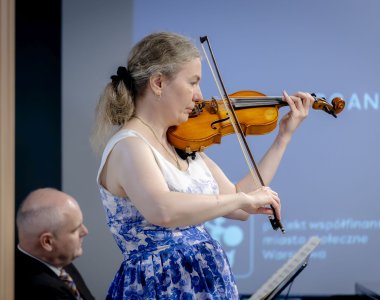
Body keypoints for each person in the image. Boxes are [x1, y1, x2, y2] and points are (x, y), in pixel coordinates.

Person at [92, 31, 314, 299]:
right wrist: (242, 199)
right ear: (158, 83)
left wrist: (283, 136)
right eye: (193, 82)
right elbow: (162, 210)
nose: (199, 96)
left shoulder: (181, 143)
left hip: (204, 284)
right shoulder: (130, 145)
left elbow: (238, 204)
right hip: (161, 286)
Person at [15, 187, 95, 300]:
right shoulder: (42, 290)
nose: (85, 231)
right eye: (75, 229)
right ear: (47, 242)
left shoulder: (59, 261)